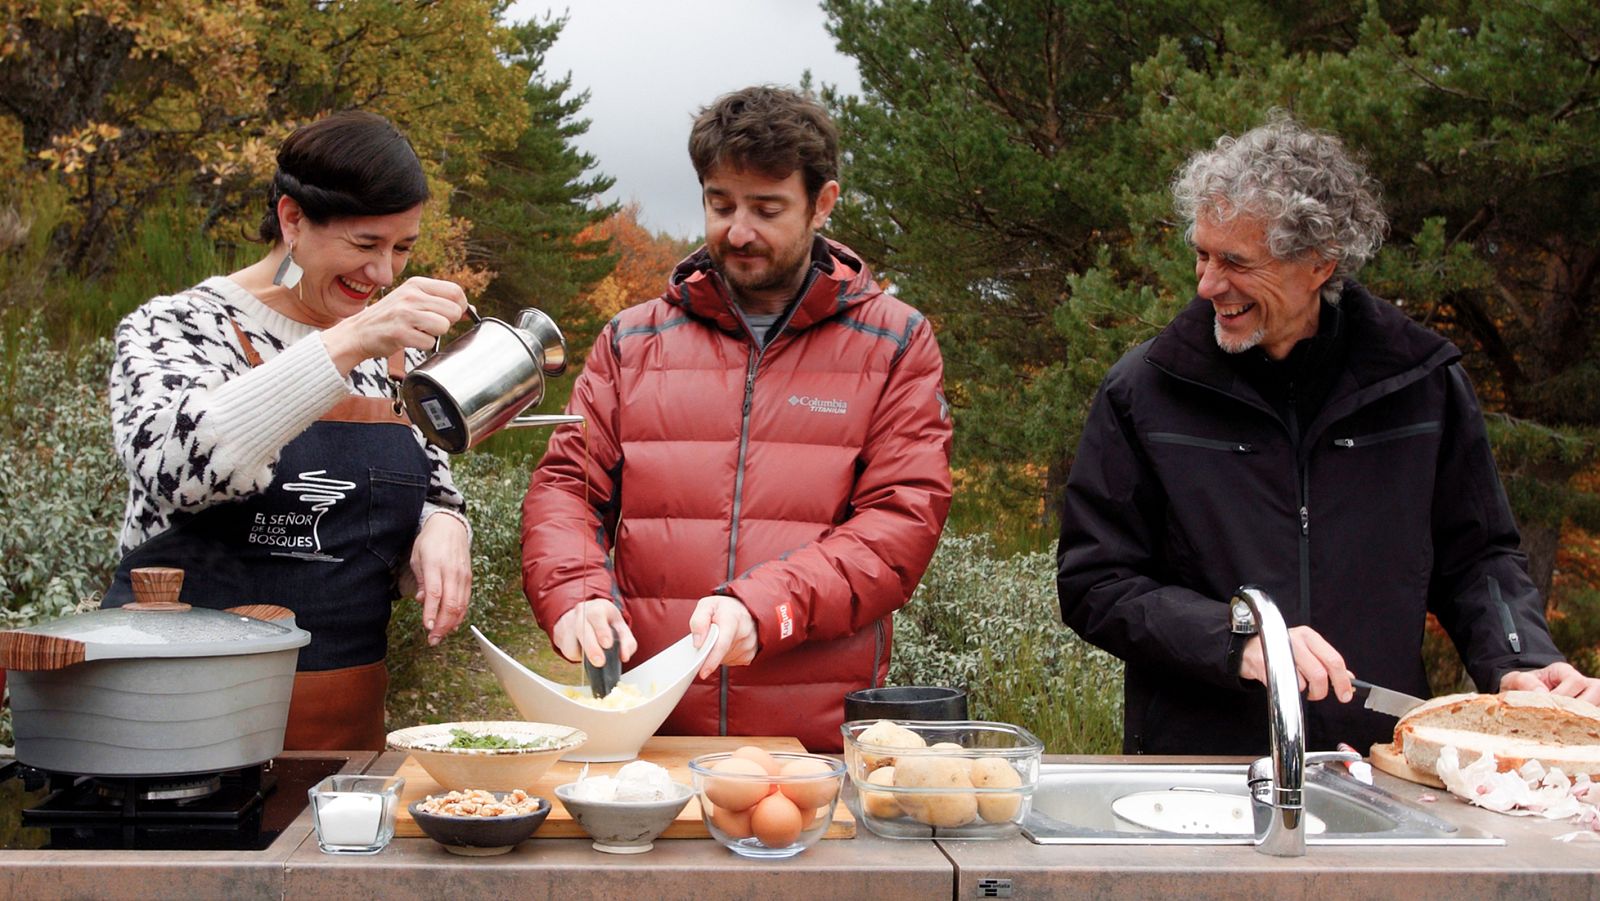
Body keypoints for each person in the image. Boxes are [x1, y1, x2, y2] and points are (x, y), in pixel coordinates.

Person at [1056, 115, 1600, 756]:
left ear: (1319, 264)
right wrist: (1240, 638)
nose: (1207, 285)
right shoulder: (1144, 390)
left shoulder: (1419, 382)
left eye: (1236, 261)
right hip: (1196, 769)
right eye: (1202, 254)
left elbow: (1477, 556)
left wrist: (1520, 659)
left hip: (1378, 765)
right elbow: (1097, 583)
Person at [520, 86, 952, 752]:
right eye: (720, 204)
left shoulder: (895, 343)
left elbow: (900, 524)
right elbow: (566, 489)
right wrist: (575, 588)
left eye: (766, 208)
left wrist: (769, 605)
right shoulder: (631, 342)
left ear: (822, 203)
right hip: (647, 737)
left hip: (812, 749)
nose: (738, 230)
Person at [106, 111, 474, 751]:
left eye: (403, 248)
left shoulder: (400, 357)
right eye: (365, 245)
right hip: (165, 736)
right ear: (292, 218)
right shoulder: (178, 328)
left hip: (342, 742)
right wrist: (349, 341)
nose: (384, 275)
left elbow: (431, 487)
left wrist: (443, 525)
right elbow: (178, 468)